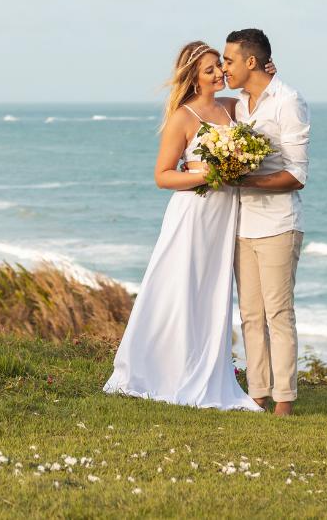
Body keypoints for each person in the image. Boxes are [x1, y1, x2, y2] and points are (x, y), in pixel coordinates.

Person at [102, 40, 262, 411]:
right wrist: (209, 174)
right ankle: (162, 370)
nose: (219, 73)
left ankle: (205, 368)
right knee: (180, 288)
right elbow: (162, 176)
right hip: (193, 215)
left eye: (219, 66)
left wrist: (266, 71)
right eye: (210, 70)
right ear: (193, 77)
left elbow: (258, 98)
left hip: (223, 218)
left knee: (211, 292)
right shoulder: (183, 117)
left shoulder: (230, 107)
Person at [222, 28, 309, 416]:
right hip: (242, 226)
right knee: (251, 316)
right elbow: (202, 100)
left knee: (278, 315)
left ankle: (284, 401)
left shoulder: (288, 101)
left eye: (229, 61)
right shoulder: (240, 104)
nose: (224, 68)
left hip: (278, 225)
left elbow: (297, 175)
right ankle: (257, 394)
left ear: (251, 61)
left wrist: (245, 181)